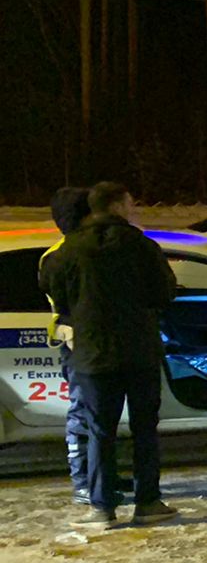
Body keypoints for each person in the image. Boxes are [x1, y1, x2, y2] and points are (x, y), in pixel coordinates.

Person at [41, 182, 177, 528]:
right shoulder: (142, 246)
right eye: (130, 202)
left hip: (93, 355)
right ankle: (148, 501)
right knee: (145, 428)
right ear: (116, 206)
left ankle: (102, 508)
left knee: (101, 431)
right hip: (140, 352)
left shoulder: (68, 249)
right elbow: (164, 292)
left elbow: (54, 291)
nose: (133, 208)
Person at [37, 187, 94, 504]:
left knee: (87, 412)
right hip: (79, 342)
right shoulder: (70, 253)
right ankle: (84, 481)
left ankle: (94, 476)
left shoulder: (55, 253)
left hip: (75, 341)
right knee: (83, 412)